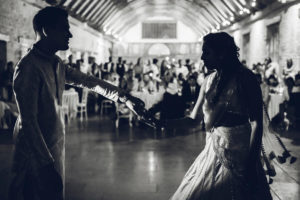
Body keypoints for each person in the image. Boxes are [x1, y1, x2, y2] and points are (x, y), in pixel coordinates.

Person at [9, 7, 145, 200]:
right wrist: (46, 166)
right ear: (47, 30)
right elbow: (28, 123)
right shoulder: (29, 68)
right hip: (34, 156)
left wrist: (124, 97)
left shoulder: (56, 63)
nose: (70, 34)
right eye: (65, 28)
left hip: (53, 147)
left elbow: (89, 81)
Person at [169, 32, 272, 200]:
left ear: (222, 53)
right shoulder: (208, 81)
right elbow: (193, 120)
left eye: (206, 52)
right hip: (212, 152)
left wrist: (250, 166)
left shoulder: (246, 79)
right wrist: (163, 123)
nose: (202, 57)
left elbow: (257, 124)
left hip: (241, 156)